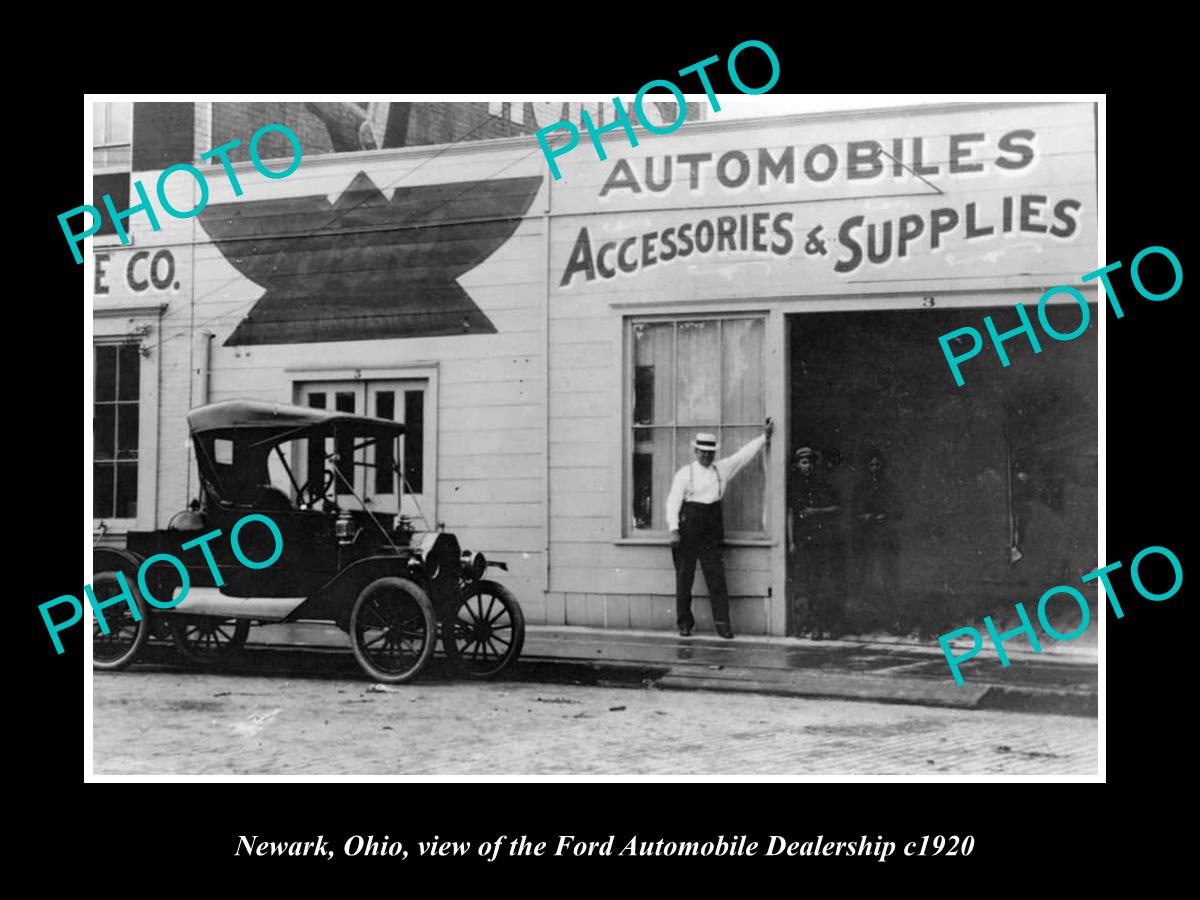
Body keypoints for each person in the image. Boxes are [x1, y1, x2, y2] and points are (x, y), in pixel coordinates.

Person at [667, 421, 773, 639]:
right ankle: (684, 624)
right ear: (696, 451)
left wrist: (764, 438)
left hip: (711, 528)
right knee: (684, 578)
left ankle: (723, 625)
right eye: (703, 452)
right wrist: (674, 529)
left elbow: (743, 455)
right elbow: (673, 502)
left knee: (716, 578)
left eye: (710, 453)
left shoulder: (722, 469)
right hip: (688, 528)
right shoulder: (684, 474)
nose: (706, 456)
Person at [788, 446, 843, 640]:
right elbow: (791, 514)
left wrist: (817, 512)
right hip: (803, 540)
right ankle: (805, 625)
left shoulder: (822, 483)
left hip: (822, 539)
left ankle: (820, 625)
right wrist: (791, 541)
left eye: (810, 462)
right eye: (803, 462)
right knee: (804, 583)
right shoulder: (793, 485)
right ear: (797, 465)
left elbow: (837, 507)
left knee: (822, 583)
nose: (807, 466)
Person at [851, 448, 903, 632]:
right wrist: (863, 516)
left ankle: (892, 621)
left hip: (885, 537)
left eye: (877, 465)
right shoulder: (860, 488)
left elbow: (898, 510)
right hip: (865, 538)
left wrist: (885, 515)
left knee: (888, 578)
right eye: (871, 465)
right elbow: (854, 510)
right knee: (864, 577)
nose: (874, 468)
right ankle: (863, 623)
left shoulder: (889, 487)